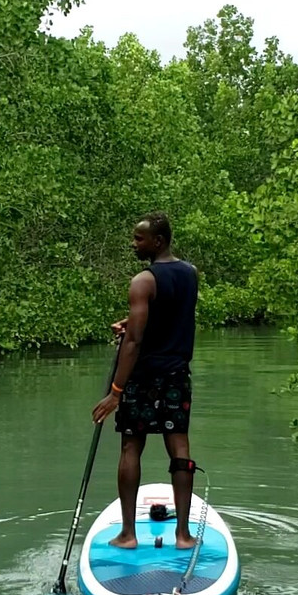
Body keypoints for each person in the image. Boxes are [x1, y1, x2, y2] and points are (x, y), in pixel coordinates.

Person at [91, 211, 199, 549]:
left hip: (143, 376)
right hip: (177, 373)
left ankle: (128, 535)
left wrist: (115, 392)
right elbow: (171, 315)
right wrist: (134, 319)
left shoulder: (142, 281)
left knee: (130, 446)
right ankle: (182, 535)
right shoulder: (191, 274)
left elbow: (134, 342)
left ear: (159, 241)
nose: (133, 244)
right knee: (178, 445)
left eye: (139, 238)